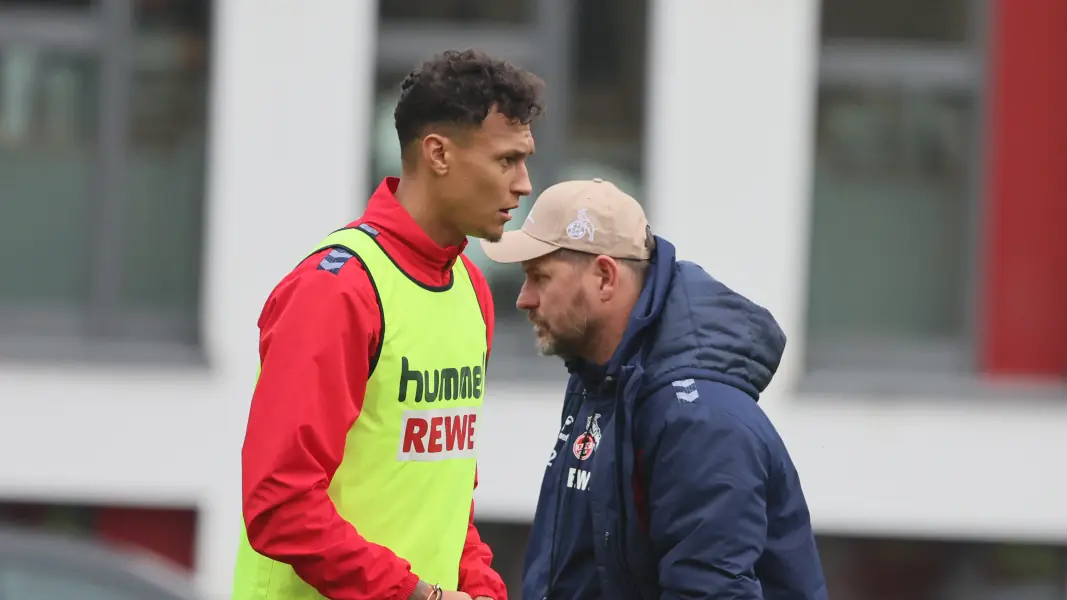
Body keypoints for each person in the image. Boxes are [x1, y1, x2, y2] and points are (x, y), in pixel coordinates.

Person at [230, 49, 545, 600]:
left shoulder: (471, 290)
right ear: (438, 154)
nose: (523, 184)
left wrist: (483, 589)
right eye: (506, 161)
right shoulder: (338, 290)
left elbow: (445, 496)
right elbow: (280, 504)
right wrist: (419, 595)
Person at [481, 179, 829, 600]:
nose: (524, 298)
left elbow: (708, 591)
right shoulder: (599, 380)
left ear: (605, 277)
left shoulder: (699, 419)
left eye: (540, 276)